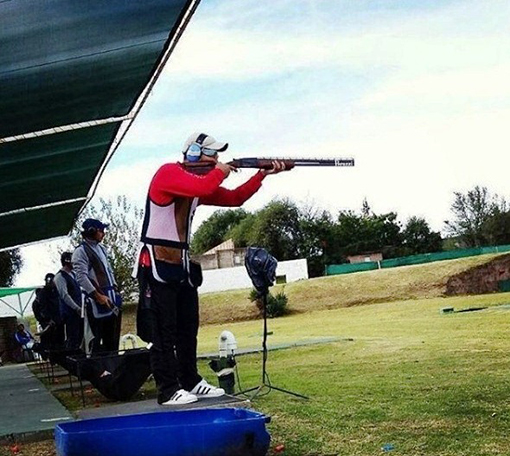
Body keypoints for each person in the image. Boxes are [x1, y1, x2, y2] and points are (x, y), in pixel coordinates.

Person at [133, 132, 289, 405]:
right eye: (211, 154)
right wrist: (220, 171)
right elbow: (205, 188)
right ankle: (168, 390)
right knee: (162, 331)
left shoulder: (195, 183)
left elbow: (234, 199)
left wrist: (261, 175)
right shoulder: (168, 173)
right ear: (193, 153)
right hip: (157, 261)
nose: (216, 159)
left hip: (180, 263)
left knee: (187, 328)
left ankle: (190, 380)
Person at [72, 218, 122, 353]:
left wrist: (116, 290)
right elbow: (81, 277)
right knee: (96, 340)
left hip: (110, 298)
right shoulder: (80, 252)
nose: (103, 234)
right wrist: (97, 295)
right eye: (101, 231)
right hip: (95, 302)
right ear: (92, 231)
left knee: (111, 340)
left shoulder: (102, 249)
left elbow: (109, 271)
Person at [54, 252, 83, 351]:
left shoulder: (73, 275)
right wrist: (76, 307)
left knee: (80, 335)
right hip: (70, 313)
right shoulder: (60, 277)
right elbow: (65, 295)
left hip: (79, 311)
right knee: (73, 336)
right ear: (67, 261)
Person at [32, 273, 65, 354]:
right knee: (51, 341)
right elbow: (43, 308)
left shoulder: (56, 292)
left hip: (59, 320)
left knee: (60, 340)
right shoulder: (43, 293)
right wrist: (48, 319)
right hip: (49, 322)